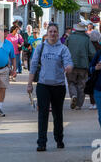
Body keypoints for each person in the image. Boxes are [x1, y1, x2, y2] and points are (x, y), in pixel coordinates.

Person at [27, 23, 73, 152]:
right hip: (43, 85)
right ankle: (42, 142)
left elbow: (69, 62)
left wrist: (69, 67)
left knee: (58, 114)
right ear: (47, 33)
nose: (53, 34)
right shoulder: (41, 47)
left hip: (58, 86)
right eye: (50, 31)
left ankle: (59, 139)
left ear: (58, 34)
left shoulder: (63, 49)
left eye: (55, 32)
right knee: (43, 114)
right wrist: (29, 84)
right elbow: (34, 65)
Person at [65, 22, 96, 110]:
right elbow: (92, 53)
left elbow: (64, 49)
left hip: (71, 65)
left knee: (71, 82)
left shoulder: (70, 38)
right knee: (81, 85)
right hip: (83, 66)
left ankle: (73, 95)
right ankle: (79, 105)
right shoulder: (87, 39)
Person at [87, 30, 101, 110]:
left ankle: (92, 103)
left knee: (91, 85)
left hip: (91, 68)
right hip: (100, 68)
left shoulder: (88, 46)